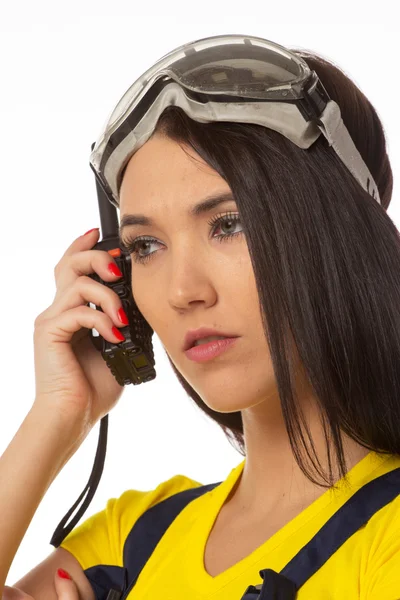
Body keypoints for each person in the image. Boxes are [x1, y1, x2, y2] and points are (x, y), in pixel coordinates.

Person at [0, 37, 399, 600]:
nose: (183, 291)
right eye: (145, 247)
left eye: (230, 224)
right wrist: (60, 412)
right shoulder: (137, 540)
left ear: (342, 235)